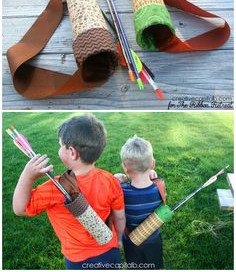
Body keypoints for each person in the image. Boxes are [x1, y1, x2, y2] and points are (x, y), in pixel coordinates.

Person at [13, 115, 125, 270]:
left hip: (78, 260)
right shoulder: (110, 180)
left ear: (72, 152)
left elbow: (20, 209)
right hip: (110, 250)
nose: (59, 148)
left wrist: (27, 176)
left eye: (60, 145)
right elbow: (119, 216)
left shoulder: (53, 188)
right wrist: (118, 240)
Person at [115, 135, 165, 270]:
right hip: (153, 238)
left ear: (125, 168)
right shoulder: (160, 187)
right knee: (155, 265)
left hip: (131, 241)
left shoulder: (121, 191)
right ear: (152, 164)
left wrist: (115, 180)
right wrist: (152, 173)